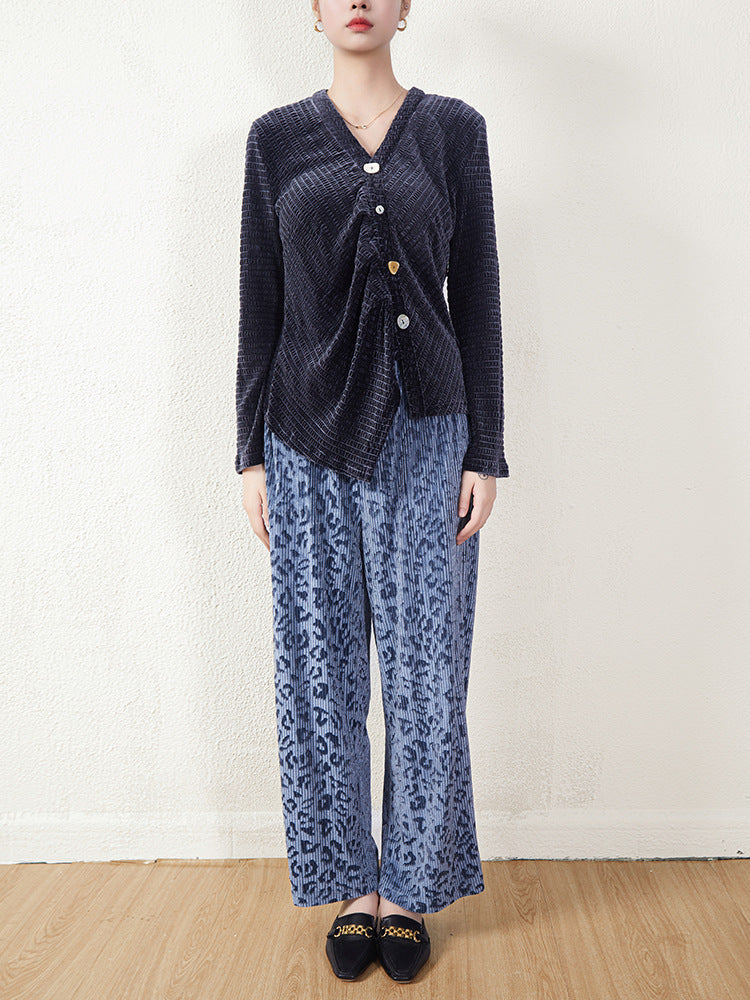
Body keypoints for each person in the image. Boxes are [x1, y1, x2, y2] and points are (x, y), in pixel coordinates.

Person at [234, 0, 509, 983]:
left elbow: (477, 292)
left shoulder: (453, 131)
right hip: (302, 438)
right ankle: (351, 885)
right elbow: (259, 302)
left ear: (404, 8)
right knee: (319, 674)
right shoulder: (274, 141)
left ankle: (411, 889)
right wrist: (250, 454)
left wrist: (486, 448)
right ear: (313, 13)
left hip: (429, 433)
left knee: (428, 676)